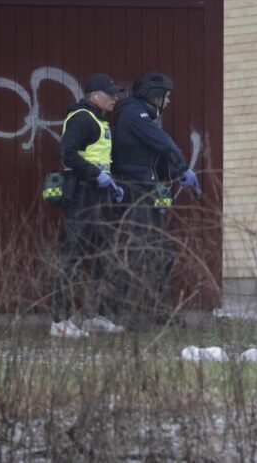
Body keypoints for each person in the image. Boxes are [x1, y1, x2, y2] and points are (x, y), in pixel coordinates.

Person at [111, 71, 198, 328]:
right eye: (166, 96)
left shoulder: (145, 117)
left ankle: (160, 311)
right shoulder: (133, 114)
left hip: (148, 190)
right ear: (154, 94)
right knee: (139, 252)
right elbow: (163, 143)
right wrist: (182, 167)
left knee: (162, 253)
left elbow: (149, 160)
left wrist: (174, 174)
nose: (169, 101)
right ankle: (133, 315)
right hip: (135, 191)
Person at [51, 73, 126, 338]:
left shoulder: (98, 120)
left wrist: (111, 183)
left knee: (104, 255)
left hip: (98, 196)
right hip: (82, 195)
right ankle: (60, 322)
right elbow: (66, 153)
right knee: (73, 257)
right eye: (110, 93)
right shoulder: (83, 118)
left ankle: (95, 315)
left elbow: (97, 158)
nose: (115, 98)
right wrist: (97, 175)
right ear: (95, 95)